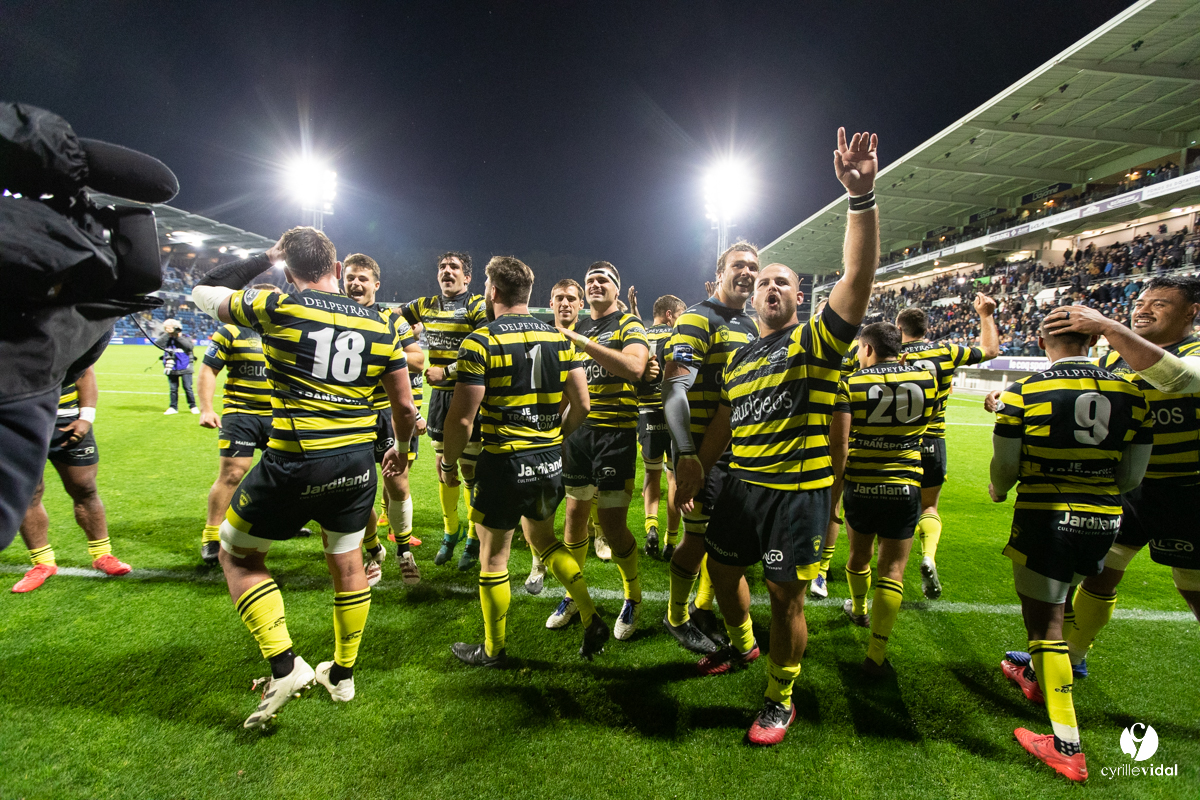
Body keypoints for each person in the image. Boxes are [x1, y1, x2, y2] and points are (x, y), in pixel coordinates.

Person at [677, 127, 881, 746]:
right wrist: (693, 464)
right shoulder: (740, 357)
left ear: (799, 297)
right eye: (761, 279)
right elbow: (725, 421)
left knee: (782, 596)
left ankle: (779, 696)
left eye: (781, 282)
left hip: (795, 495)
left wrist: (862, 197)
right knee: (720, 560)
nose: (768, 286)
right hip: (742, 486)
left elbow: (859, 275)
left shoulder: (815, 340)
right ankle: (741, 646)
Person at [191, 226, 417, 728]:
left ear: (287, 271)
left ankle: (284, 664)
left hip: (294, 462)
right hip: (357, 464)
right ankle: (343, 673)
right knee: (347, 558)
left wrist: (263, 258)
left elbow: (204, 287)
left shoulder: (277, 305)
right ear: (338, 269)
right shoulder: (384, 323)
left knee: (238, 554)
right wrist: (400, 451)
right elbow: (403, 404)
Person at [988, 321, 1152, 783]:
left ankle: (1066, 746)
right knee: (1065, 601)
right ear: (1095, 341)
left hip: (1046, 514)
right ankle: (1041, 680)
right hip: (1104, 515)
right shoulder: (1132, 392)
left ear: (1041, 342)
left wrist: (999, 489)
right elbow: (1133, 476)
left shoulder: (1025, 390)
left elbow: (1005, 464)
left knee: (1045, 623)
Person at [442, 256, 610, 664]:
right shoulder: (560, 339)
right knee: (544, 540)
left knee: (494, 555)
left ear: (493, 291)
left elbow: (463, 418)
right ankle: (590, 616)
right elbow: (583, 405)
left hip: (504, 463)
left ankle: (494, 649)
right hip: (549, 461)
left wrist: (448, 464)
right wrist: (554, 437)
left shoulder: (481, 340)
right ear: (529, 293)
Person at [1031, 277, 1200, 666]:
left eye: (1159, 304)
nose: (1143, 309)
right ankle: (1073, 656)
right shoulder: (1111, 359)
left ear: (1191, 312)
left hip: (1185, 491)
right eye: (1141, 302)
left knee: (1192, 587)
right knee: (1101, 574)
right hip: (1126, 487)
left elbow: (1179, 379)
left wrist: (1109, 326)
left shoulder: (1194, 351)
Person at [660, 248, 760, 655]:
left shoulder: (750, 326)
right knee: (698, 539)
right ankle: (677, 616)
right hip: (702, 452)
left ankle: (702, 606)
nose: (748, 273)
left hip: (735, 453)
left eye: (754, 267)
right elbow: (673, 388)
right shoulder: (698, 319)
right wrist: (687, 455)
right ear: (719, 273)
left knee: (721, 540)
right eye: (739, 265)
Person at [552, 262, 655, 641]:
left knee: (611, 525)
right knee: (575, 516)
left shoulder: (628, 325)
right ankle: (572, 594)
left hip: (615, 435)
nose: (595, 284)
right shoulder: (575, 328)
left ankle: (633, 596)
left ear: (616, 287)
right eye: (590, 280)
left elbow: (634, 367)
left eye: (603, 280)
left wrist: (582, 344)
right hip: (578, 433)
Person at [833, 322, 935, 675]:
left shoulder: (851, 384)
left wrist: (834, 493)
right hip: (905, 485)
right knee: (893, 569)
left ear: (869, 349)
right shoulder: (927, 380)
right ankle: (876, 654)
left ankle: (859, 609)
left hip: (862, 484)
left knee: (859, 555)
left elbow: (841, 445)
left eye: (860, 349)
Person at [895, 292, 998, 599]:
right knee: (929, 506)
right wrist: (985, 314)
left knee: (896, 510)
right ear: (926, 329)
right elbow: (990, 350)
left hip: (899, 441)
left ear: (900, 328)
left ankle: (890, 571)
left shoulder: (892, 352)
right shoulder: (947, 350)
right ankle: (928, 555)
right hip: (933, 440)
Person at [197, 284, 296, 566]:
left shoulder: (284, 328)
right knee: (232, 473)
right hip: (241, 412)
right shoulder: (230, 330)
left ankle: (281, 521)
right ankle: (212, 535)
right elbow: (208, 369)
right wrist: (206, 408)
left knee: (287, 473)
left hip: (280, 413)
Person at [11, 367, 132, 592]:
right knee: (29, 493)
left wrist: (86, 417)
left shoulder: (62, 332)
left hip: (67, 420)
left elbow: (85, 372)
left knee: (84, 487)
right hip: (19, 423)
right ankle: (42, 563)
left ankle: (102, 555)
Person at [344, 254, 426, 586]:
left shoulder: (394, 320)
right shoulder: (335, 316)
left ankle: (404, 551)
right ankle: (372, 550)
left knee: (397, 483)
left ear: (376, 285)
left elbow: (418, 361)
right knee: (357, 490)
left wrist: (378, 350)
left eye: (363, 278)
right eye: (350, 277)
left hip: (388, 414)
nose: (355, 283)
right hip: (349, 414)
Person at [403, 252, 488, 570]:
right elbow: (390, 317)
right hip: (439, 401)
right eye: (442, 267)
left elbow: (486, 345)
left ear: (467, 277)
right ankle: (450, 533)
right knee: (443, 468)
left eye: (454, 267)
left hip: (470, 396)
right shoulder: (424, 305)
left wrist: (448, 371)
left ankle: (472, 538)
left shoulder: (476, 306)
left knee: (469, 471)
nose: (447, 271)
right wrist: (403, 336)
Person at [523, 278, 588, 595]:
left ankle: (578, 571)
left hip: (581, 433)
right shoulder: (538, 338)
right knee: (541, 506)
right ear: (550, 303)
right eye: (559, 297)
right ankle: (538, 562)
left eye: (571, 299)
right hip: (543, 436)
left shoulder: (590, 341)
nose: (565, 303)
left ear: (581, 304)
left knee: (579, 510)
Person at [634, 292, 685, 557]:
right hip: (673, 413)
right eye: (679, 314)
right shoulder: (677, 336)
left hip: (646, 412)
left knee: (650, 473)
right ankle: (670, 541)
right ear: (669, 314)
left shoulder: (639, 335)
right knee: (674, 477)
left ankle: (650, 526)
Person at [157, 319, 198, 415]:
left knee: (188, 387)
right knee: (173, 389)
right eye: (166, 328)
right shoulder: (167, 338)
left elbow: (189, 347)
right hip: (171, 366)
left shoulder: (185, 337)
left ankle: (193, 406)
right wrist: (168, 335)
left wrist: (178, 336)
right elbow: (158, 344)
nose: (168, 329)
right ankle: (173, 407)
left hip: (185, 366)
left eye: (170, 328)